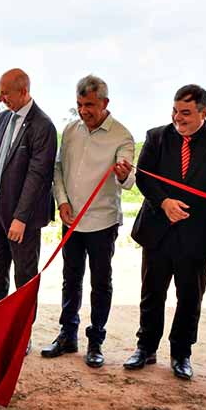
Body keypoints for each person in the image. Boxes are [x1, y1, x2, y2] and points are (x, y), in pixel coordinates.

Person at [125, 84, 206, 379]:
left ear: (204, 112)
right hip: (158, 230)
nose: (178, 118)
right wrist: (164, 202)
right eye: (175, 111)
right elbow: (144, 179)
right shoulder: (156, 137)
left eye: (186, 113)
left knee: (190, 298)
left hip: (199, 236)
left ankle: (181, 354)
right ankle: (145, 348)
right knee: (152, 293)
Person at [41, 75, 135, 368]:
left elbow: (129, 180)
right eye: (80, 105)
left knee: (100, 283)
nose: (84, 111)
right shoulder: (70, 130)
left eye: (90, 105)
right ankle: (67, 336)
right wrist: (63, 202)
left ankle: (96, 342)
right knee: (71, 279)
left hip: (102, 223)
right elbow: (57, 170)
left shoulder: (122, 135)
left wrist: (122, 173)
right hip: (71, 219)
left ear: (105, 103)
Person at [0, 68, 57, 353]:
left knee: (24, 278)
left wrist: (20, 218)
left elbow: (38, 177)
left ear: (23, 91)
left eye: (5, 93)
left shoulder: (43, 126)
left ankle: (22, 335)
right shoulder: (3, 118)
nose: (0, 98)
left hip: (24, 220)